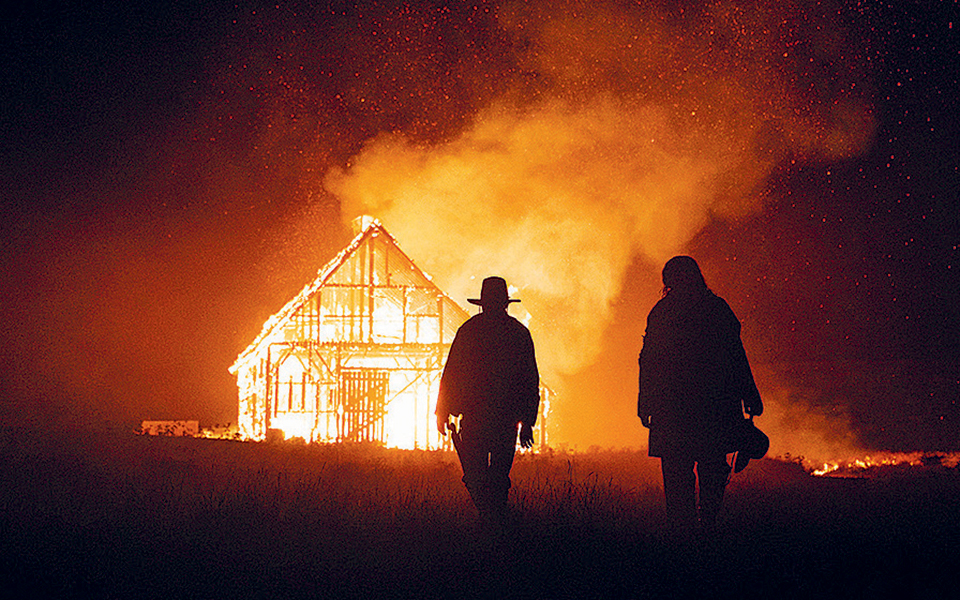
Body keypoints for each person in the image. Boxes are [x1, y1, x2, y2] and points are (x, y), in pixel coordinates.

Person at [637, 256, 763, 536]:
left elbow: (648, 361)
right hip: (714, 406)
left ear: (668, 281)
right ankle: (708, 526)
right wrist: (750, 394)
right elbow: (736, 356)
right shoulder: (717, 309)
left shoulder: (662, 312)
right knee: (713, 468)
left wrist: (645, 402)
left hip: (673, 409)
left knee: (676, 473)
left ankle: (682, 533)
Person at [437, 276, 540, 523]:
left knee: (477, 474)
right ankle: (495, 519)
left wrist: (442, 411)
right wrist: (527, 422)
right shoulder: (518, 333)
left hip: (478, 418)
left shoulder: (469, 331)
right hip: (504, 420)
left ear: (483, 303)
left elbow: (451, 374)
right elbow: (530, 381)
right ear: (505, 303)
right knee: (496, 476)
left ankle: (489, 519)